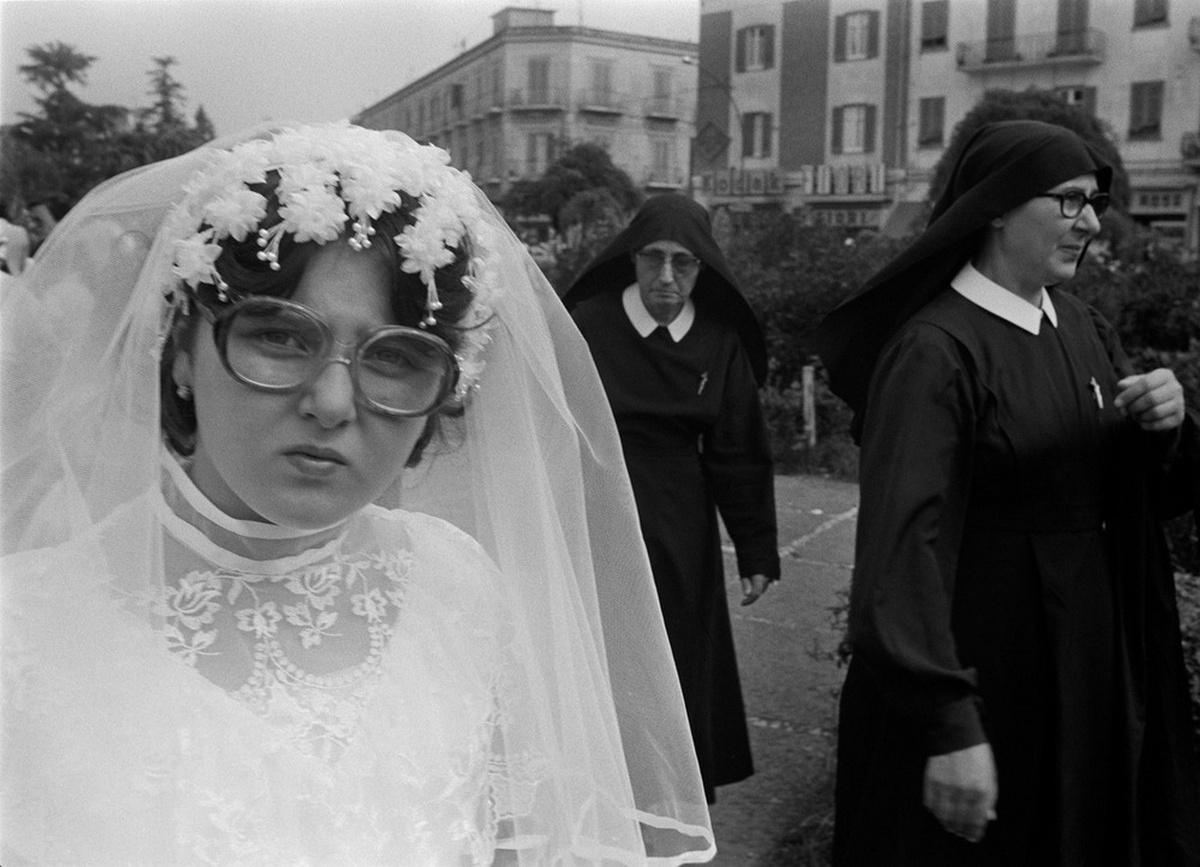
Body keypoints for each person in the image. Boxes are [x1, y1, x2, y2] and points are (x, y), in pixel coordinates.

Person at [0, 123, 716, 864]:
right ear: (182, 348)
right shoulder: (24, 632)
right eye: (280, 337)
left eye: (396, 357)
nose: (333, 402)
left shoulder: (459, 593)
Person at [817, 119, 1200, 866]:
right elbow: (902, 551)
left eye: (1093, 202)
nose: (1091, 223)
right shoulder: (934, 350)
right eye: (1068, 200)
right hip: (983, 674)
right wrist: (948, 724)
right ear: (996, 206)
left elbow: (1131, 494)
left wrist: (1164, 426)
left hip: (1085, 665)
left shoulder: (1083, 326)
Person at [564, 194, 780, 804]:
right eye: (653, 258)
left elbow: (738, 449)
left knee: (678, 648)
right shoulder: (588, 324)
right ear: (631, 258)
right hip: (599, 504)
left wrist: (756, 550)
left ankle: (666, 792)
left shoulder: (717, 339)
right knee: (599, 645)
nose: (666, 276)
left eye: (683, 262)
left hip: (684, 515)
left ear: (702, 267)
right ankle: (597, 788)